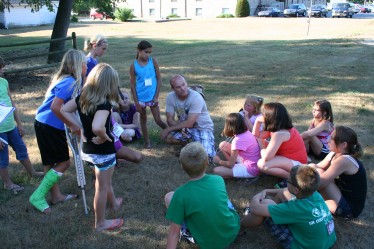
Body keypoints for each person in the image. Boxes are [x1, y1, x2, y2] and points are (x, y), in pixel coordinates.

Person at [61, 63, 124, 232]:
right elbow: (97, 127)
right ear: (109, 84)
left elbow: (64, 110)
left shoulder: (82, 97)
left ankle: (114, 203)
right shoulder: (104, 104)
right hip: (102, 152)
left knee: (104, 179)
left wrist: (78, 127)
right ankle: (100, 223)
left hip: (88, 151)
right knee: (101, 186)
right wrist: (104, 137)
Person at [29, 49, 85, 213]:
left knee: (50, 162)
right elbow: (55, 107)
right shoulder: (70, 83)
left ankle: (56, 196)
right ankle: (38, 195)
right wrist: (73, 125)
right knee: (64, 162)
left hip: (43, 123)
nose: (86, 67)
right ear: (77, 65)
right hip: (49, 126)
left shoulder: (68, 80)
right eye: (84, 64)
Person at [241, 165, 336, 249]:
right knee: (282, 195)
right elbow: (286, 190)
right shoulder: (315, 195)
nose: (286, 183)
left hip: (303, 246)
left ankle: (238, 226)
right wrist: (266, 191)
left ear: (296, 190)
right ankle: (273, 212)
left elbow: (255, 208)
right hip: (327, 242)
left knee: (266, 203)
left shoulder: (294, 208)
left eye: (288, 181)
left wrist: (258, 196)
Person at [164, 142, 240, 249]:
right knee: (223, 200)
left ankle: (187, 232)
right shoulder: (218, 179)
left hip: (208, 242)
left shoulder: (180, 194)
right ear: (207, 163)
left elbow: (173, 233)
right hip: (232, 231)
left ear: (182, 167)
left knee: (169, 196)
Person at [0, 57, 43, 192]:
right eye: (1, 68)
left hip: (11, 126)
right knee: (3, 158)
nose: (3, 70)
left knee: (21, 149)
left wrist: (19, 123)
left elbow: (12, 103)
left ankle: (32, 172)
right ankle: (7, 184)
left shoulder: (4, 82)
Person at [309, 126, 367, 219]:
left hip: (349, 209)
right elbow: (317, 166)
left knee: (317, 175)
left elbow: (320, 183)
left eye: (331, 138)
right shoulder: (334, 153)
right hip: (339, 196)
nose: (327, 140)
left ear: (344, 144)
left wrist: (308, 172)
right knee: (314, 168)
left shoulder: (344, 160)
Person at [160, 75, 215, 160]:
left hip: (202, 127)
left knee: (206, 157)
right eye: (178, 87)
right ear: (173, 88)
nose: (182, 88)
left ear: (186, 83)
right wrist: (181, 128)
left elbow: (190, 123)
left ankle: (192, 148)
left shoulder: (196, 97)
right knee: (168, 138)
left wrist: (168, 129)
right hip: (185, 127)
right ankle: (187, 146)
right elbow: (169, 119)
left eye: (183, 84)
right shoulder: (170, 97)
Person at [129, 40, 167, 149]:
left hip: (152, 97)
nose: (148, 55)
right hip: (141, 98)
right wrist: (136, 102)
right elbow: (132, 85)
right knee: (143, 120)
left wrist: (156, 96)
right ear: (139, 51)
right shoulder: (133, 66)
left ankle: (171, 132)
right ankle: (147, 141)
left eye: (150, 52)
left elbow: (159, 79)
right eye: (146, 52)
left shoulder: (153, 61)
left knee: (158, 120)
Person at [253, 102, 307, 179]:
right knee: (258, 143)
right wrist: (257, 121)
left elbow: (266, 157)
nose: (262, 117)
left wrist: (262, 146)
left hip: (299, 166)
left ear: (270, 117)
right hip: (288, 159)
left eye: (263, 115)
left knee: (262, 164)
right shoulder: (278, 127)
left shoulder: (280, 134)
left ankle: (292, 178)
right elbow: (256, 135)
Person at [212, 113, 261, 179]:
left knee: (216, 171)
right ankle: (234, 168)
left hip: (251, 169)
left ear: (229, 126)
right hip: (253, 163)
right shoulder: (247, 132)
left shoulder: (237, 140)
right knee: (223, 145)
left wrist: (219, 161)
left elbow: (230, 164)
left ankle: (237, 173)